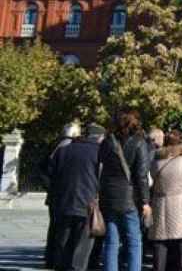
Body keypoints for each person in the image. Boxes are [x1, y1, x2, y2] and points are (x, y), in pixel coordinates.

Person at [98, 110, 151, 271]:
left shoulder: (107, 141)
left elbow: (100, 166)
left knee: (111, 241)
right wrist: (145, 201)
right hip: (130, 197)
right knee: (134, 241)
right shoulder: (139, 142)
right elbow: (141, 175)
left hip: (109, 195)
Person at [50, 123, 104, 271]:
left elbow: (52, 174)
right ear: (100, 137)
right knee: (82, 247)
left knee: (63, 240)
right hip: (88, 203)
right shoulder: (99, 152)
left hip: (63, 202)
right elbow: (101, 178)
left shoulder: (63, 150)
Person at [149, 131, 182, 271]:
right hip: (181, 203)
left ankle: (159, 268)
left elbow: (151, 179)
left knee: (160, 240)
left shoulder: (156, 160)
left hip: (160, 202)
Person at [43, 122, 81, 269]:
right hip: (62, 194)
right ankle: (58, 259)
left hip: (55, 194)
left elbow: (45, 170)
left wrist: (50, 186)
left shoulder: (55, 146)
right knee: (61, 229)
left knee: (54, 227)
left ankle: (51, 258)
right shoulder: (66, 148)